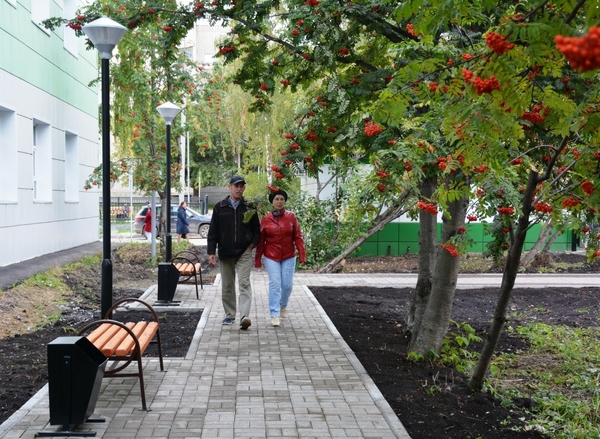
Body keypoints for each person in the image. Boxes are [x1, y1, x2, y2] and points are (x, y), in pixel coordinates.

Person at [207, 175, 260, 329]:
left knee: (244, 283)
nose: (239, 189)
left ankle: (245, 316)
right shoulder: (220, 207)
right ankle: (230, 315)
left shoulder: (250, 206)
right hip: (226, 250)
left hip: (244, 251)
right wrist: (211, 251)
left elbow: (257, 228)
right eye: (236, 186)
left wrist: (252, 243)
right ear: (229, 187)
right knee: (228, 285)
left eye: (242, 186)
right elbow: (213, 231)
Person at [255, 189, 306, 327]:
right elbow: (261, 241)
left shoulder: (291, 217)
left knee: (287, 285)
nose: (279, 201)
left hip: (288, 255)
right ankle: (274, 313)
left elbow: (298, 237)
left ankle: (283, 306)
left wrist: (302, 254)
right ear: (272, 202)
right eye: (276, 199)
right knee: (275, 283)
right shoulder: (266, 219)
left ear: (285, 201)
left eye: (281, 199)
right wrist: (258, 258)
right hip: (271, 256)